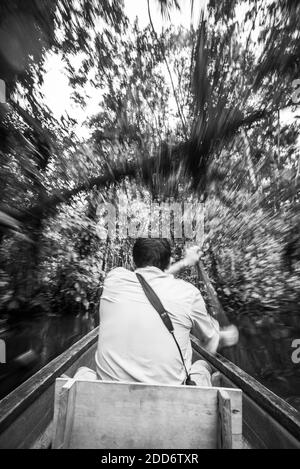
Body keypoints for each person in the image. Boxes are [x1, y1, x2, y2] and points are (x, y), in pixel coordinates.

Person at [81, 238, 238, 387]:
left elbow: (151, 280)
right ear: (168, 261)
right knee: (202, 365)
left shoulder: (114, 279)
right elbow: (211, 342)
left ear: (134, 260)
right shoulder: (189, 294)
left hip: (110, 400)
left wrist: (184, 263)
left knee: (84, 371)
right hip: (171, 404)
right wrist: (225, 337)